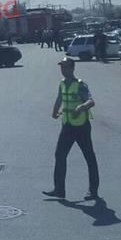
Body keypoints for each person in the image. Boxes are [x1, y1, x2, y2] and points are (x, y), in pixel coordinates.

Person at [43, 56, 100, 201]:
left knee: (89, 157)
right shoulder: (62, 84)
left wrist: (81, 107)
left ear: (73, 68)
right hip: (67, 125)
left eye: (66, 67)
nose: (63, 70)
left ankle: (93, 191)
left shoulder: (80, 84)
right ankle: (59, 190)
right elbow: (59, 98)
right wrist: (54, 111)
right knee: (60, 155)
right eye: (62, 67)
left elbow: (91, 101)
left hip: (82, 126)